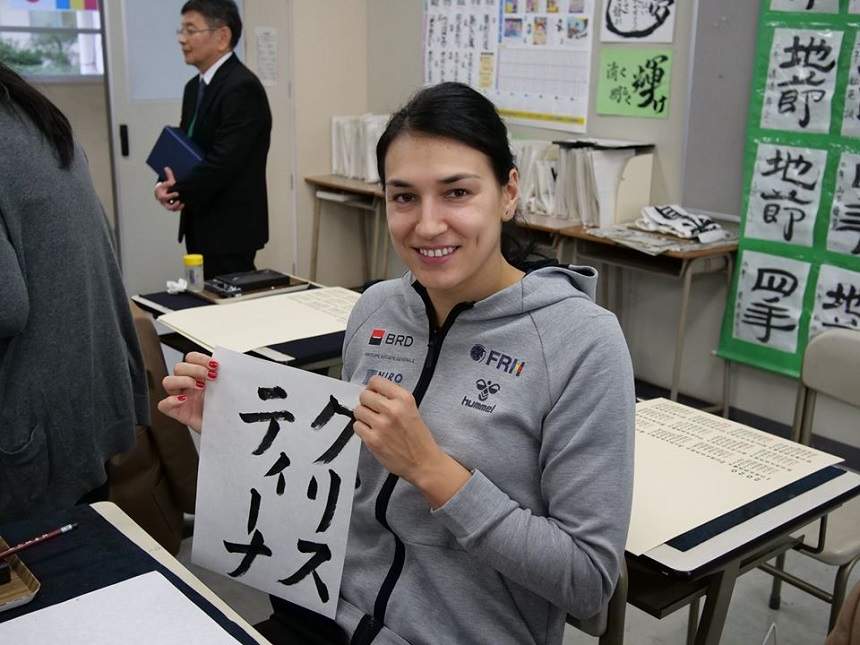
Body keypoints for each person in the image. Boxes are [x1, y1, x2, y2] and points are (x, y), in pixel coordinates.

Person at [159, 82, 634, 645]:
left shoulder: (582, 342)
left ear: (508, 192)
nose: (427, 225)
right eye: (404, 197)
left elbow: (587, 584)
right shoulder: (376, 309)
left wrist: (433, 470)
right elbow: (335, 487)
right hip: (321, 613)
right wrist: (233, 434)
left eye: (457, 193)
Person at [0, 62, 148, 520]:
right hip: (90, 395)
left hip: (36, 427)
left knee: (50, 579)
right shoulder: (25, 110)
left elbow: (6, 308)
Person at [154, 0, 272, 279]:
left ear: (222, 36)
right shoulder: (194, 88)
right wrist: (164, 183)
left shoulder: (242, 87)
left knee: (229, 310)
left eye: (191, 30)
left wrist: (178, 189)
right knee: (204, 299)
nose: (182, 39)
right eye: (181, 30)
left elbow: (224, 162)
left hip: (230, 226)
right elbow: (184, 147)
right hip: (199, 218)